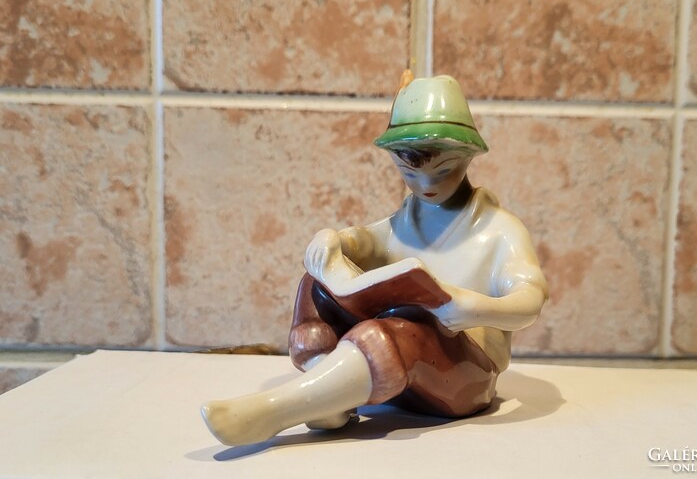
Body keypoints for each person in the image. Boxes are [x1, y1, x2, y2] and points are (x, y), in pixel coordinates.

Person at [202, 73, 548, 446]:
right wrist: (332, 240)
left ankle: (276, 410)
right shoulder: (408, 218)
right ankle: (329, 394)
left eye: (443, 170)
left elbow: (530, 300)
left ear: (468, 157)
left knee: (403, 327)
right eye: (408, 172)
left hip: (464, 377)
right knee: (318, 283)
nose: (425, 185)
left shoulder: (500, 230)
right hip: (401, 373)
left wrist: (474, 309)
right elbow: (365, 239)